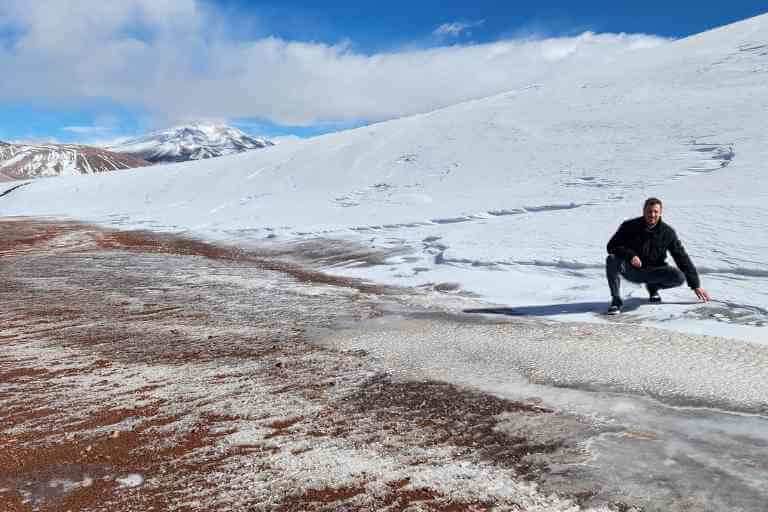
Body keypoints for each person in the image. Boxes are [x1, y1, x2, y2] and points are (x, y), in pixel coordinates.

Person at [606, 197, 711, 314]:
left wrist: (695, 285)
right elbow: (611, 246)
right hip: (632, 271)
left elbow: (681, 257)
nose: (652, 214)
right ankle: (616, 301)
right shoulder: (629, 226)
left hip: (654, 272)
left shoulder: (667, 232)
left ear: (660, 213)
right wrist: (630, 255)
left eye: (655, 211)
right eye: (649, 211)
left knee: (678, 277)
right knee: (612, 259)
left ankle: (653, 288)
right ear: (643, 211)